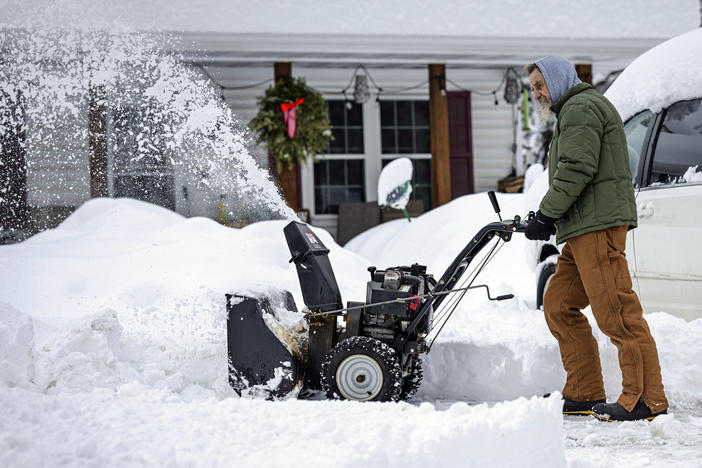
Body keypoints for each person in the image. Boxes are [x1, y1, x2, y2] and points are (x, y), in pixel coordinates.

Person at [524, 56, 668, 422]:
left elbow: (576, 167)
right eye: (533, 88)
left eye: (540, 85)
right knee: (558, 303)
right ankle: (584, 391)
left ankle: (645, 399)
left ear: (557, 81)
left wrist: (546, 213)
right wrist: (549, 216)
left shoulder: (581, 108)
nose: (537, 93)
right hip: (581, 229)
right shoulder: (575, 110)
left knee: (616, 312)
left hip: (597, 227)